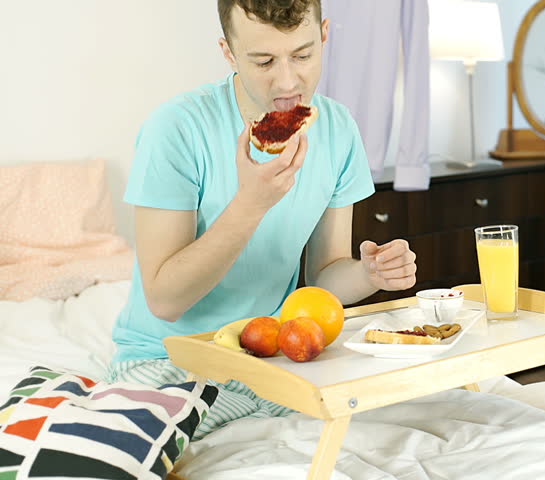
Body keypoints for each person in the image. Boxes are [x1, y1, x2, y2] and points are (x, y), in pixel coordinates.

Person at [108, 0, 417, 439]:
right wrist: (250, 204)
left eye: (303, 55)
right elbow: (165, 300)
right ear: (229, 52)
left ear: (325, 34)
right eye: (264, 61)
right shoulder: (175, 129)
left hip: (275, 355)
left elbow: (324, 277)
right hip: (169, 359)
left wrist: (370, 275)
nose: (288, 81)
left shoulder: (339, 128)